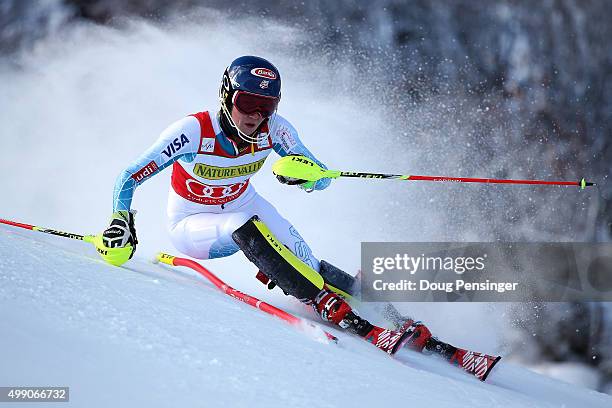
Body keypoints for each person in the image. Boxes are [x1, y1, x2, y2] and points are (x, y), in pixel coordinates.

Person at [94, 55, 439, 357]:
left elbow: (322, 176)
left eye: (267, 106)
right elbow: (130, 175)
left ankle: (384, 311)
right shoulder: (193, 131)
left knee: (307, 260)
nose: (255, 116)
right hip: (192, 224)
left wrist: (308, 177)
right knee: (245, 225)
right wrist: (120, 219)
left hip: (243, 204)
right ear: (227, 96)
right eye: (247, 103)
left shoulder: (275, 129)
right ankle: (321, 301)